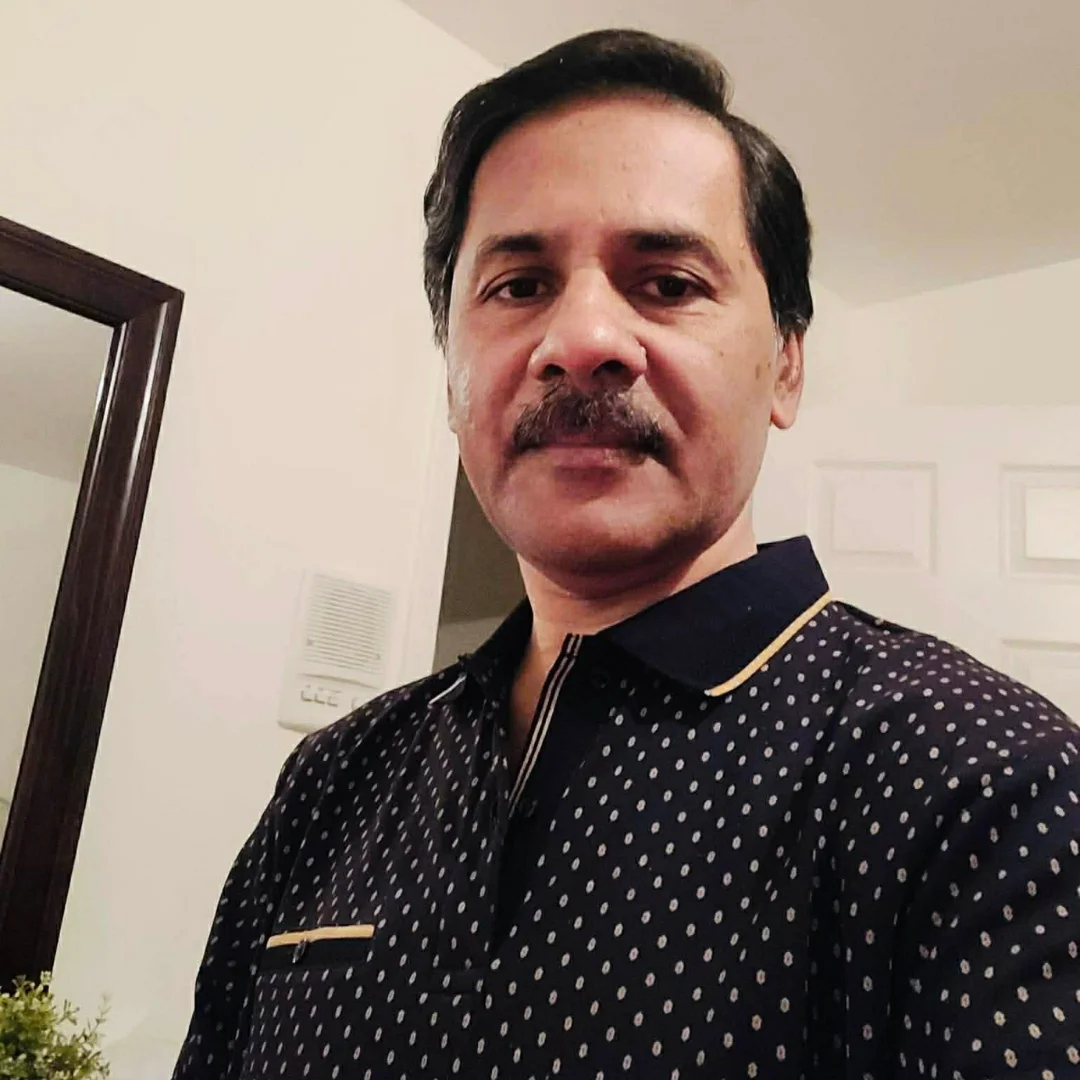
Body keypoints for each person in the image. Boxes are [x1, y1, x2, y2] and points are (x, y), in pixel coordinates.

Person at [173, 28, 1080, 1080]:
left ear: (786, 365)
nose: (582, 341)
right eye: (519, 286)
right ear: (451, 371)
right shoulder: (331, 782)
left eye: (668, 283)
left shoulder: (991, 781)